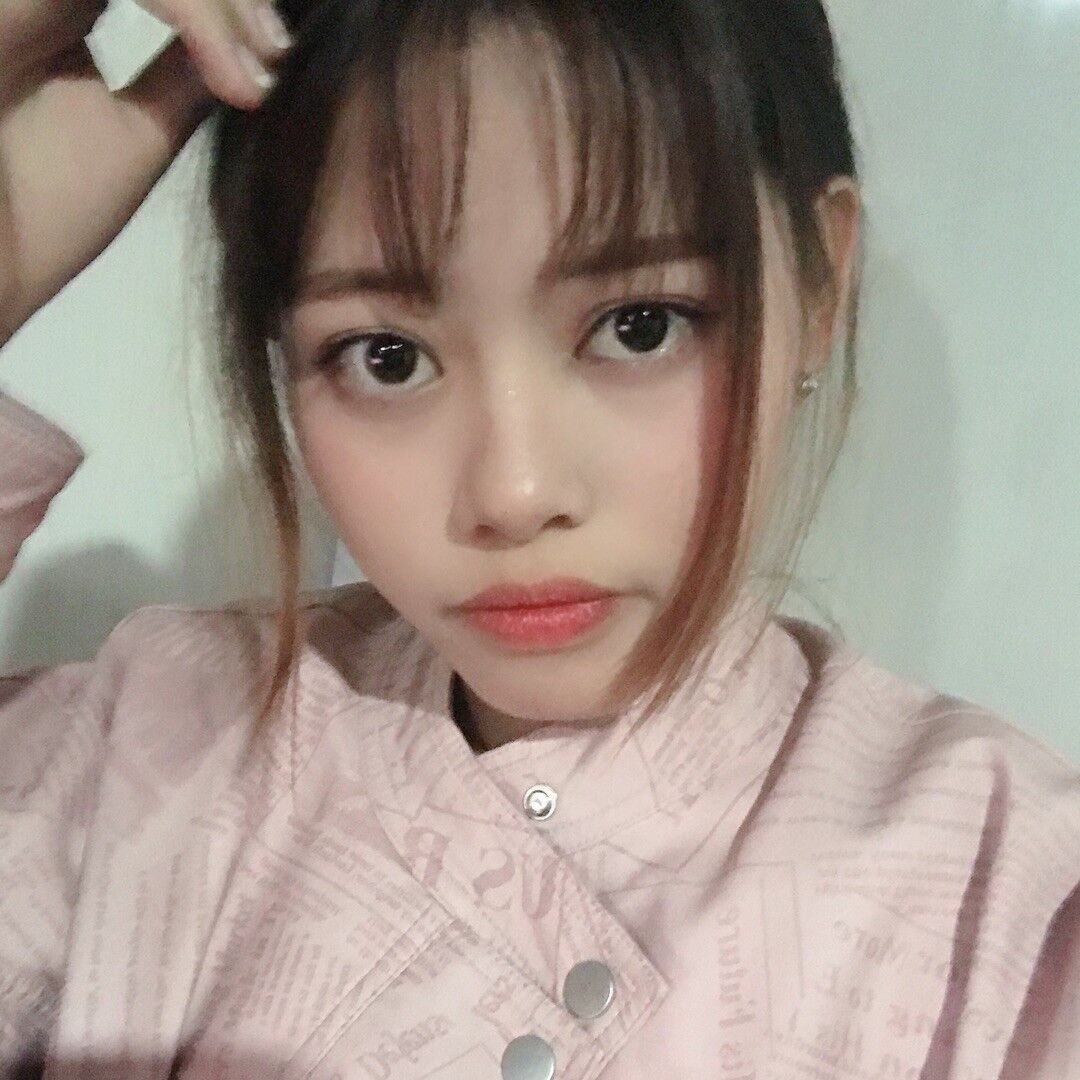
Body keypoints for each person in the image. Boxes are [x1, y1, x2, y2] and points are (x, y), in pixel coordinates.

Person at [0, 1, 1076, 1077]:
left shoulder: (1011, 903)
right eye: (385, 356)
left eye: (640, 326)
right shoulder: (157, 739)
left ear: (820, 280)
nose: (514, 495)